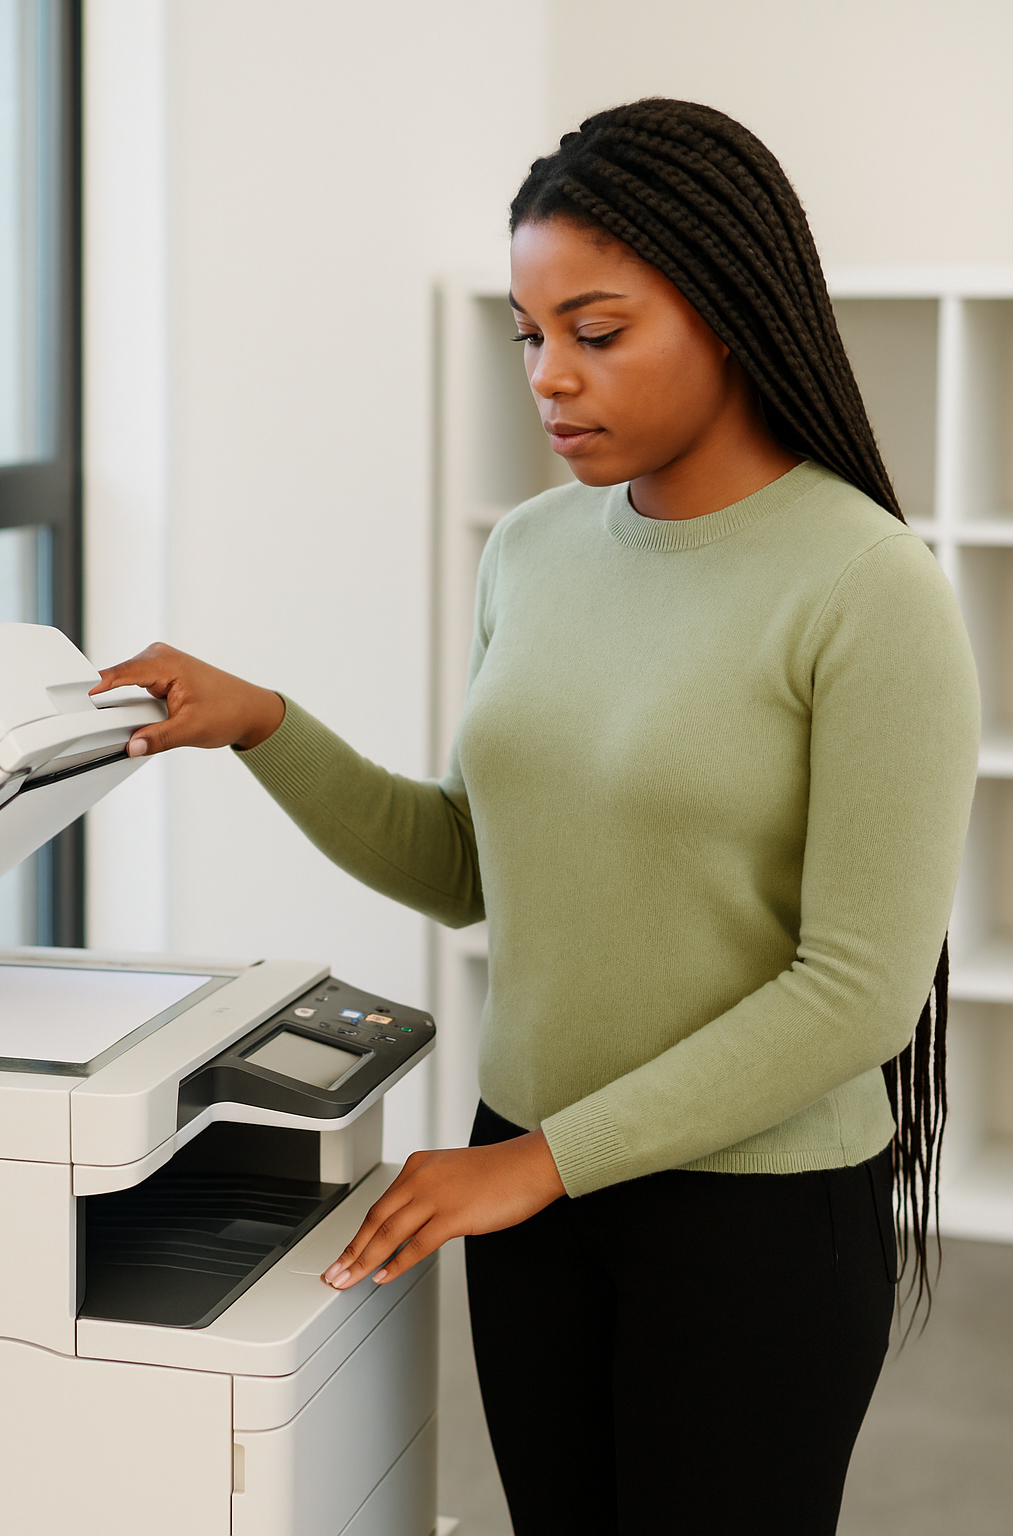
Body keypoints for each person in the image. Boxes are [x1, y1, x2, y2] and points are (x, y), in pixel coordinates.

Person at [95, 99, 980, 1535]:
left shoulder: (871, 588)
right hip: (531, 1192)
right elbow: (466, 866)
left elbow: (859, 995)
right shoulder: (532, 548)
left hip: (746, 1225)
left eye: (598, 330)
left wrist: (531, 1164)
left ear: (731, 312)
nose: (550, 377)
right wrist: (262, 722)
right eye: (528, 334)